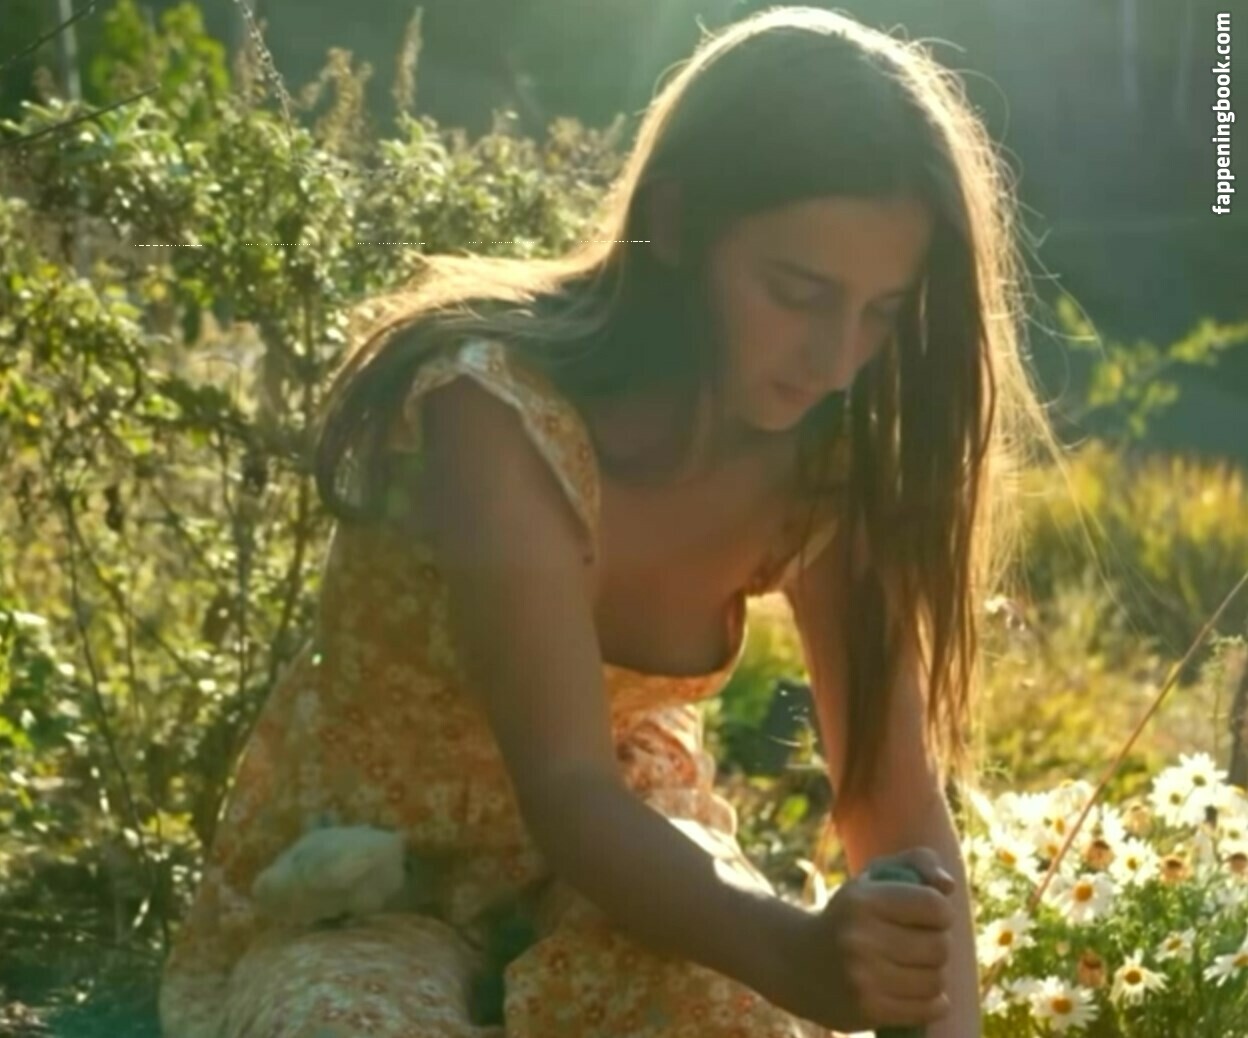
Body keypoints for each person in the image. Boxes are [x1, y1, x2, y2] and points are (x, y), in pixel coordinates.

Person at [159, 5, 1059, 1036]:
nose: (835, 358)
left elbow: (891, 802)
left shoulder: (823, 476)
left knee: (726, 1019)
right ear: (675, 225)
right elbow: (568, 792)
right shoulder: (492, 410)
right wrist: (795, 958)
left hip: (644, 891)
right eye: (797, 291)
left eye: (880, 312)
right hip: (368, 883)